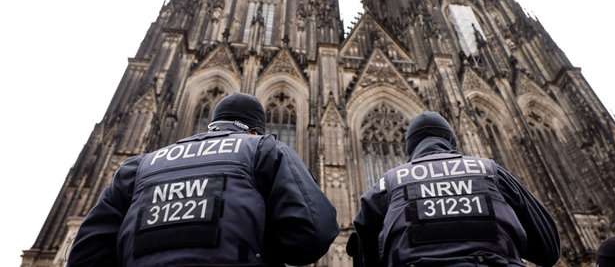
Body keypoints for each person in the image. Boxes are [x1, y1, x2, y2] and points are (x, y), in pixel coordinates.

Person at [67, 92, 339, 267]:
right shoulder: (263, 149)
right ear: (255, 131)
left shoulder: (138, 166)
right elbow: (314, 235)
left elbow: (85, 255)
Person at [348, 111, 561, 267]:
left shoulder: (389, 183)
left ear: (410, 151)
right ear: (451, 142)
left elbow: (362, 245)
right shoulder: (491, 171)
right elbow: (549, 250)